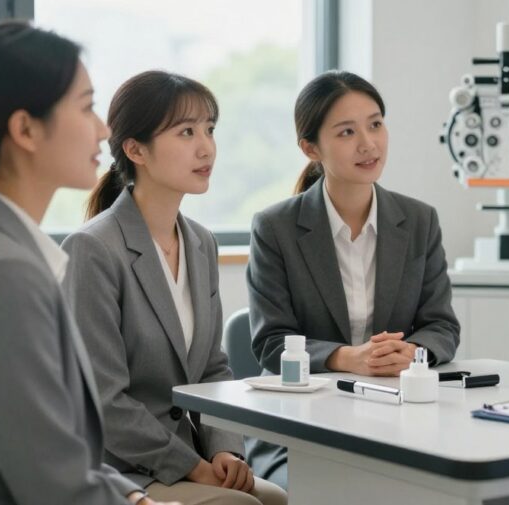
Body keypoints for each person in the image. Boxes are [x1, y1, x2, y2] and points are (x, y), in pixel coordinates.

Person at [0, 22, 174, 505]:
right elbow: (56, 488)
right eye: (87, 106)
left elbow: (57, 451)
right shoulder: (0, 276)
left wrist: (134, 499)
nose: (103, 129)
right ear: (25, 129)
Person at [62, 71, 287, 505]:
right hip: (120, 468)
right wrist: (194, 466)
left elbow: (213, 369)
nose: (206, 147)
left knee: (276, 497)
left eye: (209, 129)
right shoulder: (93, 249)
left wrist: (225, 449)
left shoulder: (201, 242)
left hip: (194, 455)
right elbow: (103, 400)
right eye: (186, 132)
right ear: (135, 149)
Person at [246, 70, 460, 487]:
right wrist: (348, 357)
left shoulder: (418, 220)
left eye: (376, 124)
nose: (369, 143)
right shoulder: (276, 228)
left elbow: (442, 326)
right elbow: (271, 342)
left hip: (398, 422)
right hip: (302, 431)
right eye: (346, 132)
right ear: (311, 148)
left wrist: (411, 353)